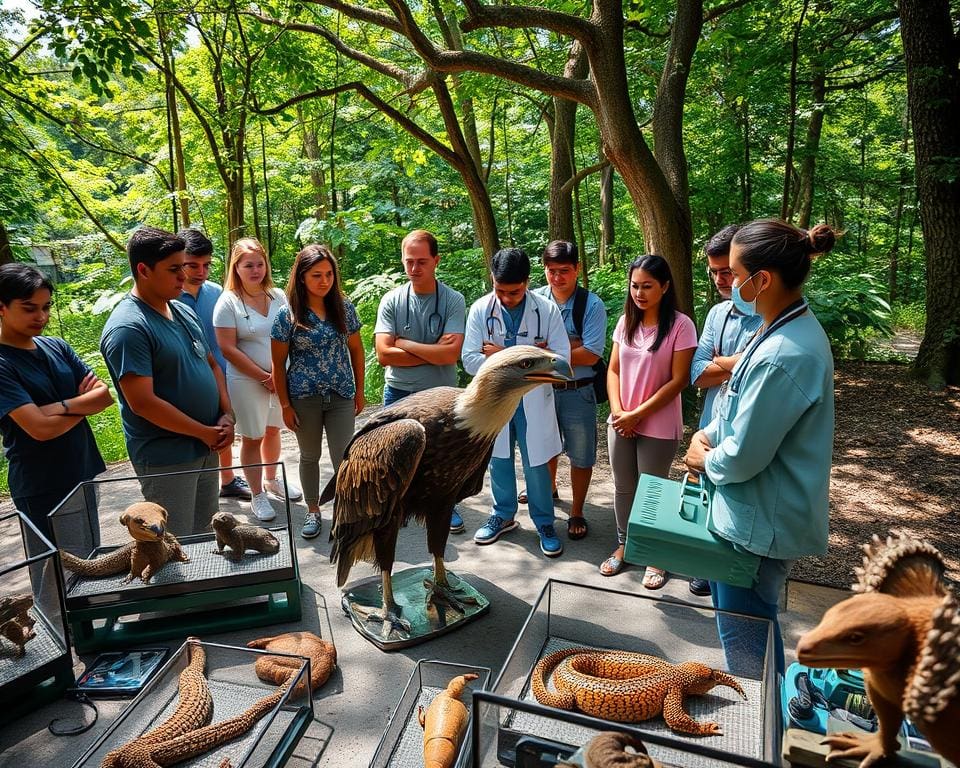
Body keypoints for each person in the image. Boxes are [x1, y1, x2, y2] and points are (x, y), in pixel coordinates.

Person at [684, 219, 836, 677]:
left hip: (756, 528)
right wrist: (709, 431)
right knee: (748, 629)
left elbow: (746, 456)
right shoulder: (778, 329)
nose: (726, 283)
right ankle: (764, 724)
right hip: (751, 516)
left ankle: (760, 732)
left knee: (747, 641)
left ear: (761, 279)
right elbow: (741, 412)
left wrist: (704, 457)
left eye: (732, 273)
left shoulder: (785, 353)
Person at [100, 226, 235, 534]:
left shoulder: (180, 309)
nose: (183, 277)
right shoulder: (128, 328)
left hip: (206, 445)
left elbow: (211, 362)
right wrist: (203, 431)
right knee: (175, 543)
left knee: (206, 534)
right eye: (174, 269)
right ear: (143, 270)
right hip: (167, 457)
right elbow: (143, 403)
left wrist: (227, 414)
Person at [462, 247, 570, 557]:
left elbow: (561, 358)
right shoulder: (481, 310)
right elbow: (469, 360)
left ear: (527, 282)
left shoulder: (546, 310)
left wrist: (499, 354)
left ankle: (544, 522)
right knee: (499, 459)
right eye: (500, 290)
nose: (507, 298)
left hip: (533, 399)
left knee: (536, 461)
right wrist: (530, 355)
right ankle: (503, 514)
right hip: (495, 399)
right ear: (492, 280)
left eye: (515, 291)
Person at [0, 263, 113, 545]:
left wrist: (55, 408)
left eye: (46, 307)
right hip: (42, 485)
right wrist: (81, 404)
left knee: (89, 567)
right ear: (1, 307)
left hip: (82, 472)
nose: (41, 316)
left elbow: (103, 396)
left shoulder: (58, 347)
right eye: (29, 308)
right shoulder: (3, 363)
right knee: (57, 580)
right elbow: (39, 429)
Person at [604, 255, 697, 588]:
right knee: (624, 487)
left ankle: (656, 554)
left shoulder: (680, 325)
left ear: (665, 286)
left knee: (652, 491)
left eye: (647, 286)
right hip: (621, 421)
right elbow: (613, 369)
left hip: (657, 424)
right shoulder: (625, 321)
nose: (639, 293)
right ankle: (626, 545)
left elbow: (678, 380)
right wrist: (618, 412)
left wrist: (636, 414)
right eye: (634, 286)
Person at [374, 229, 467, 532]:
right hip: (398, 391)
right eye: (409, 262)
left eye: (422, 262)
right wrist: (433, 351)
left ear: (436, 260)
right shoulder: (392, 300)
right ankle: (398, 506)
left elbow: (451, 355)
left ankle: (444, 507)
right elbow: (385, 354)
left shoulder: (453, 300)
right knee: (395, 454)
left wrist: (407, 344)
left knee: (443, 456)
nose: (415, 269)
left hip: (441, 395)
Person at [687, 225, 762, 597]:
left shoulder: (769, 315)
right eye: (714, 271)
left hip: (745, 432)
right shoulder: (717, 315)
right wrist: (741, 360)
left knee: (739, 506)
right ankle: (706, 565)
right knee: (708, 497)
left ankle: (735, 577)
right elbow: (697, 374)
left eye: (727, 271)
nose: (720, 279)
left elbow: (759, 378)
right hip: (710, 427)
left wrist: (723, 361)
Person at [271, 244, 365, 539]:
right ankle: (313, 511)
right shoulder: (287, 315)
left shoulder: (344, 308)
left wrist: (359, 391)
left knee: (344, 455)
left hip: (340, 394)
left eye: (329, 275)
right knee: (309, 455)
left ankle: (346, 510)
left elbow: (357, 352)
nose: (324, 281)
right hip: (304, 397)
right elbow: (277, 363)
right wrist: (285, 405)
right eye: (316, 275)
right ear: (301, 277)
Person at [213, 237, 302, 522]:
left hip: (281, 379)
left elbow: (291, 334)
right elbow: (227, 347)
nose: (255, 270)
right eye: (248, 265)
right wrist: (264, 376)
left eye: (259, 264)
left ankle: (271, 479)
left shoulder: (278, 296)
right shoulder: (228, 302)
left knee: (274, 430)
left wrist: (282, 375)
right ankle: (257, 495)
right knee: (253, 436)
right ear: (236, 267)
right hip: (247, 381)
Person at [532, 240, 606, 541]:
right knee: (544, 446)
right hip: (543, 388)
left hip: (579, 390)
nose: (557, 277)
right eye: (551, 271)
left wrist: (548, 350)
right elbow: (525, 346)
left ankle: (576, 511)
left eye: (564, 271)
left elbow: (591, 354)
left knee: (581, 454)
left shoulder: (591, 304)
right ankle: (548, 491)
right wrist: (568, 346)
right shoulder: (534, 300)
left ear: (577, 269)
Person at [176, 228, 249, 501]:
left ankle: (227, 479)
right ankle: (194, 486)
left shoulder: (218, 293)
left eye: (206, 265)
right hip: (187, 378)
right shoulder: (168, 298)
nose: (200, 272)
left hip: (221, 372)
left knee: (222, 425)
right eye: (192, 265)